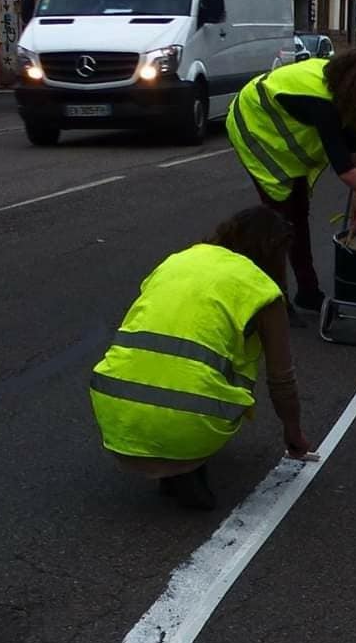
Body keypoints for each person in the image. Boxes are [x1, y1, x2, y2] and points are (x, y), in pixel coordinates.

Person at [90, 206, 316, 510]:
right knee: (227, 367)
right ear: (275, 252)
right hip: (191, 421)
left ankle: (167, 450)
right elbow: (281, 379)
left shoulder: (177, 261)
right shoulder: (262, 289)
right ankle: (185, 460)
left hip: (113, 411)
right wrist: (293, 432)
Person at [227, 45, 356, 311]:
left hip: (279, 135)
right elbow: (345, 170)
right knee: (278, 222)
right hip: (255, 127)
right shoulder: (322, 103)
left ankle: (308, 292)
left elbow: (351, 153)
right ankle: (273, 303)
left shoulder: (342, 93)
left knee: (298, 214)